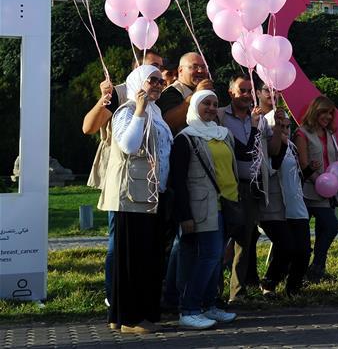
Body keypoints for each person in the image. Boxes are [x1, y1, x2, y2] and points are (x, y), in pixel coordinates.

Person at [82, 50, 163, 307]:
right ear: (137, 70)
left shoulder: (156, 102)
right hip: (121, 175)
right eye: (153, 70)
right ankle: (113, 295)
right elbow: (88, 127)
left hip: (145, 181)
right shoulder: (120, 94)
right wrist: (104, 99)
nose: (159, 78)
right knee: (118, 243)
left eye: (161, 71)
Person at [99, 65, 173, 333]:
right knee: (132, 258)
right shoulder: (127, 110)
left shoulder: (158, 112)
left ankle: (121, 315)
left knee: (145, 257)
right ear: (138, 81)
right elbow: (128, 146)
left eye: (160, 81)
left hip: (151, 195)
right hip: (132, 195)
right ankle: (131, 318)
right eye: (152, 79)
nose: (157, 84)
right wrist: (140, 110)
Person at [170, 90, 238, 329]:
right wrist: (184, 215)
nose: (210, 108)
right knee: (207, 257)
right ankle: (189, 309)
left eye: (214, 104)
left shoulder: (223, 134)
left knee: (216, 258)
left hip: (225, 205)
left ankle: (209, 306)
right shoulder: (185, 138)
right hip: (201, 208)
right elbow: (177, 180)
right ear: (194, 107)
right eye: (205, 104)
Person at [218, 75, 282, 303]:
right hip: (225, 187)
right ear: (230, 92)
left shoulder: (260, 119)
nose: (246, 95)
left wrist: (278, 129)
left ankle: (237, 293)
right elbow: (242, 150)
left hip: (252, 187)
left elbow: (273, 151)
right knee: (221, 239)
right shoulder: (219, 116)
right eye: (241, 91)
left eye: (249, 91)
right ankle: (213, 293)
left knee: (245, 241)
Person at [262, 97, 311, 296]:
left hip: (296, 204)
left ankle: (294, 287)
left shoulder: (291, 146)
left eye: (287, 125)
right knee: (286, 248)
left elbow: (296, 175)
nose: (283, 129)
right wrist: (279, 143)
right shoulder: (266, 146)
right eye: (278, 125)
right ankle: (270, 283)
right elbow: (271, 168)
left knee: (304, 250)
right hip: (276, 206)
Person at [293, 96, 338, 282]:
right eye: (324, 112)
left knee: (329, 227)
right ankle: (298, 271)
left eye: (330, 113)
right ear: (315, 111)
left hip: (326, 192)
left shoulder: (329, 133)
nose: (328, 116)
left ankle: (317, 267)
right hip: (307, 191)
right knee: (302, 238)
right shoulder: (302, 133)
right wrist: (320, 182)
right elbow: (303, 163)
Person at [157, 52, 214, 134]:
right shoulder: (170, 92)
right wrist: (195, 95)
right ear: (180, 70)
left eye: (203, 67)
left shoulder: (209, 91)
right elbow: (169, 122)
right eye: (194, 67)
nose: (200, 71)